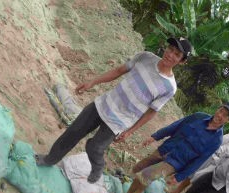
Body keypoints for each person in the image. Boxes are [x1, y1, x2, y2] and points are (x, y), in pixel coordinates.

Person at [36, 37, 193, 183]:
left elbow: (152, 112)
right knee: (74, 131)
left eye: (177, 54)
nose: (170, 54)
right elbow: (119, 71)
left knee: (94, 147)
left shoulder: (170, 87)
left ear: (182, 61)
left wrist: (130, 131)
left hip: (120, 119)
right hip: (105, 103)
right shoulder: (145, 57)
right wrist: (93, 82)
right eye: (170, 49)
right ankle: (50, 159)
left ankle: (98, 166)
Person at [116, 102, 229, 193]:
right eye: (221, 111)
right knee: (139, 167)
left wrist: (180, 177)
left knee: (146, 175)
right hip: (166, 148)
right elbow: (176, 126)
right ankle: (125, 191)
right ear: (218, 109)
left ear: (228, 120)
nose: (220, 115)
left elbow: (199, 161)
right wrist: (156, 136)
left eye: (225, 115)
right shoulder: (199, 117)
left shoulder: (216, 140)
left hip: (175, 162)